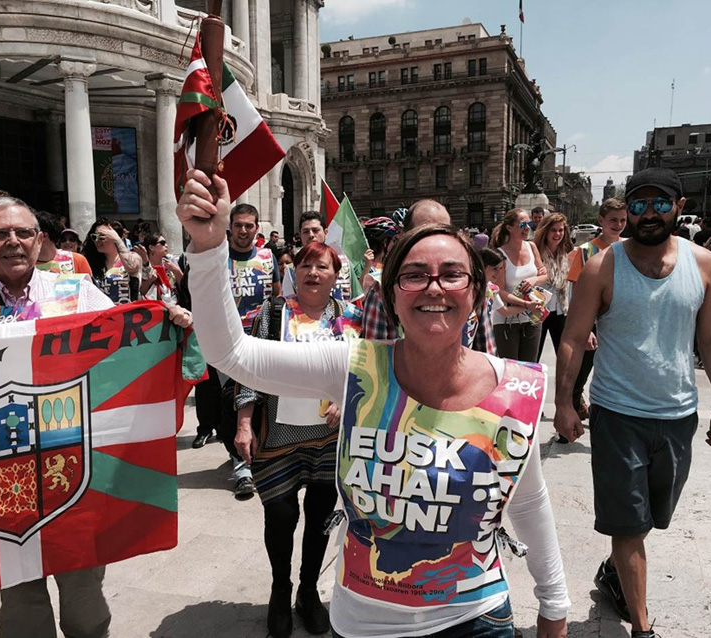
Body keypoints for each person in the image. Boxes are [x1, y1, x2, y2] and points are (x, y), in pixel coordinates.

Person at [179, 169, 570, 638]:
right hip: (365, 622)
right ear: (389, 295)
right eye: (414, 275)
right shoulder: (353, 365)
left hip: (475, 617)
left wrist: (554, 604)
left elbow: (529, 504)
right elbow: (232, 354)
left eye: (452, 275)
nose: (434, 287)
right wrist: (207, 247)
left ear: (477, 293)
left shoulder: (516, 388)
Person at [554, 167, 711, 638]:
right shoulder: (602, 266)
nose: (648, 214)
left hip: (677, 416)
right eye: (637, 205)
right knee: (627, 525)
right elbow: (572, 338)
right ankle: (642, 626)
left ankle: (616, 572)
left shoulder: (705, 265)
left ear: (678, 207)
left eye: (659, 204)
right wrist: (566, 403)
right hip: (617, 416)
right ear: (626, 211)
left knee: (653, 516)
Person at [0, 197, 116, 638]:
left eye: (23, 233)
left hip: (71, 466)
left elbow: (128, 341)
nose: (13, 242)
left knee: (84, 597)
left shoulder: (78, 293)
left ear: (39, 239)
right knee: (21, 599)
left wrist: (171, 323)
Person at [234, 241, 362, 638]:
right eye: (305, 264)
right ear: (294, 271)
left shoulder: (351, 317)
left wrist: (349, 399)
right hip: (278, 436)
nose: (312, 272)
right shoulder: (273, 313)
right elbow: (248, 367)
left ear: (335, 274)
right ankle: (280, 589)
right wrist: (244, 422)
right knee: (282, 515)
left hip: (329, 438)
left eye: (321, 266)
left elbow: (364, 372)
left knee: (321, 516)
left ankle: (308, 591)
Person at [193, 203, 282, 501]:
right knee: (233, 402)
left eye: (249, 225)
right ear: (230, 227)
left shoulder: (269, 258)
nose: (244, 231)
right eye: (239, 225)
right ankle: (241, 468)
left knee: (259, 402)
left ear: (257, 228)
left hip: (261, 343)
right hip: (226, 344)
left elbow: (277, 297)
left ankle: (256, 455)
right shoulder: (218, 259)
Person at [362, 201, 496, 353]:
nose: (434, 289)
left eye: (442, 232)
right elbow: (373, 362)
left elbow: (487, 356)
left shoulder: (474, 285)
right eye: (423, 234)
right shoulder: (381, 289)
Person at [565, 198, 628, 421]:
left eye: (623, 220)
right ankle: (570, 416)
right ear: (601, 220)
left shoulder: (630, 248)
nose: (618, 225)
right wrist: (585, 328)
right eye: (613, 220)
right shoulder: (585, 251)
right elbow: (573, 293)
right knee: (579, 374)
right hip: (591, 322)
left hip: (620, 322)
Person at [490, 208, 548, 362]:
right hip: (507, 321)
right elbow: (499, 291)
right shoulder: (500, 254)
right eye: (523, 225)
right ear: (509, 228)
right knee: (511, 371)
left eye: (529, 223)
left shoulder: (531, 247)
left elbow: (545, 275)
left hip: (532, 318)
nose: (528, 227)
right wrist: (525, 305)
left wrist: (534, 280)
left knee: (530, 368)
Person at [533, 213, 575, 360]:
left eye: (561, 230)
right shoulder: (535, 252)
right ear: (545, 231)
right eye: (553, 230)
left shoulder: (567, 252)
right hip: (539, 311)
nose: (558, 234)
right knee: (534, 355)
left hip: (560, 310)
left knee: (564, 354)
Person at [82, 218, 142, 305]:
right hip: (104, 315)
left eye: (102, 237)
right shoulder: (91, 262)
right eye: (94, 237)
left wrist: (117, 239)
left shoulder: (133, 257)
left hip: (129, 314)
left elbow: (131, 267)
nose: (97, 241)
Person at [35, 211, 92, 275]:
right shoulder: (26, 265)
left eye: (29, 233)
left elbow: (88, 284)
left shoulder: (77, 260)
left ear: (43, 236)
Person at [137, 233, 184, 305]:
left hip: (174, 306)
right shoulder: (142, 265)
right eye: (162, 243)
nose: (166, 245)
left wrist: (176, 270)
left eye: (166, 243)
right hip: (153, 308)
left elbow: (184, 284)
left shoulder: (171, 260)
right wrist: (150, 280)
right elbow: (140, 292)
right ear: (151, 247)